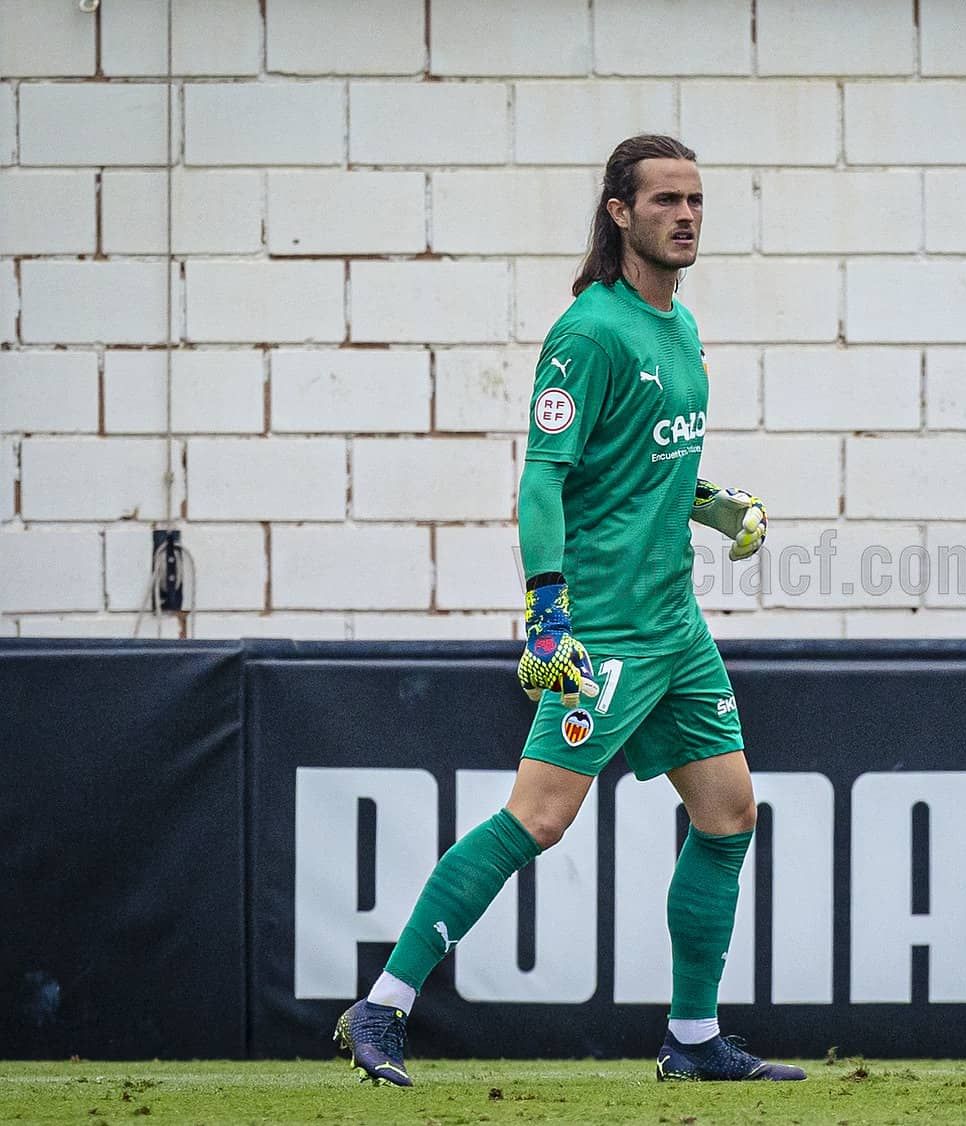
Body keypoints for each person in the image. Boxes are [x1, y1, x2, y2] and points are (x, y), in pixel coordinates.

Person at [334, 134, 804, 1086]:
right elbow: (544, 479)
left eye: (697, 200)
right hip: (606, 627)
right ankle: (381, 1008)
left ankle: (694, 1038)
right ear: (619, 213)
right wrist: (548, 610)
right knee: (539, 819)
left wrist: (707, 504)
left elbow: (629, 464)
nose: (686, 215)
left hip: (676, 627)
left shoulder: (682, 326)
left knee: (728, 814)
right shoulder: (590, 331)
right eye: (666, 200)